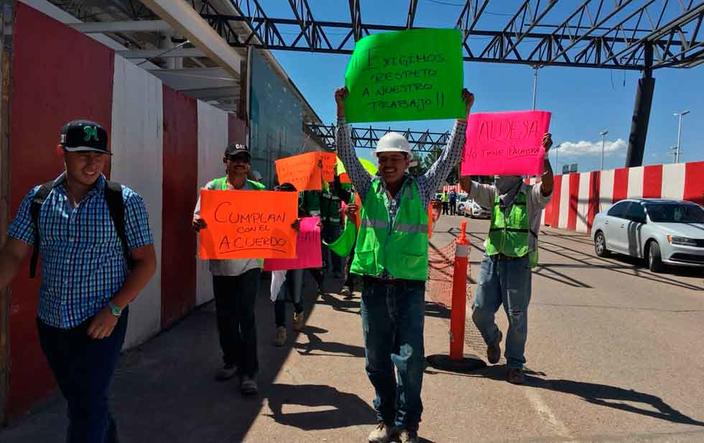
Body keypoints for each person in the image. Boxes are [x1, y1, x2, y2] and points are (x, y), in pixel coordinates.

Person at [0, 120, 157, 443]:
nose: (93, 163)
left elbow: (146, 263)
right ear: (62, 153)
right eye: (82, 154)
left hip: (101, 322)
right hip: (52, 321)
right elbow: (14, 253)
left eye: (99, 155)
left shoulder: (124, 202)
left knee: (86, 409)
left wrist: (114, 309)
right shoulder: (39, 200)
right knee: (84, 400)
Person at [335, 86, 475, 443]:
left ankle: (408, 423)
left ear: (408, 161)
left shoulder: (423, 189)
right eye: (383, 158)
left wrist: (462, 116)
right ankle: (385, 419)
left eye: (395, 158)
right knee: (376, 361)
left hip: (409, 289)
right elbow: (346, 154)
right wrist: (341, 113)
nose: (388, 163)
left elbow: (448, 158)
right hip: (374, 289)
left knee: (410, 362)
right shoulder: (368, 190)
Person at [459, 133, 554, 385]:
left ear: (517, 173)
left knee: (517, 315)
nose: (497, 175)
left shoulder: (531, 194)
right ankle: (493, 338)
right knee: (479, 311)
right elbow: (466, 185)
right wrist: (464, 158)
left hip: (518, 262)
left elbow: (547, 186)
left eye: (502, 171)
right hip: (493, 258)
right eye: (496, 172)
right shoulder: (492, 194)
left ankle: (515, 364)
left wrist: (543, 156)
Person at [192, 143, 265, 395]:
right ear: (226, 161)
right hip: (222, 264)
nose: (240, 164)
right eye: (235, 159)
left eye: (244, 159)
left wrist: (292, 225)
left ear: (249, 164)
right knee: (225, 317)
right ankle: (231, 361)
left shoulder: (260, 190)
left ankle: (249, 372)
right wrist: (197, 222)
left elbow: (274, 221)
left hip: (250, 264)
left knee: (246, 316)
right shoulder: (212, 188)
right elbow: (198, 218)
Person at [272, 182, 306, 346]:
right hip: (278, 257)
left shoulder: (302, 212)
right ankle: (281, 329)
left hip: (297, 259)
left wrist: (303, 228)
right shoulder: (271, 212)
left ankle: (299, 311)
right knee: (278, 293)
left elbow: (312, 232)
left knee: (296, 293)